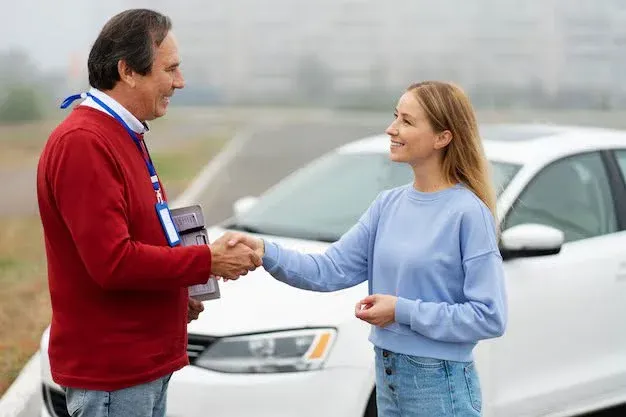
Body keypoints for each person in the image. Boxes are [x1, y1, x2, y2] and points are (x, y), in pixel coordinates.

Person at [226, 81, 507, 416]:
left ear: (442, 138)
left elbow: (489, 317)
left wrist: (401, 310)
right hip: (389, 379)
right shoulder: (388, 204)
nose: (392, 129)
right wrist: (264, 250)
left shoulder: (468, 213)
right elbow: (328, 271)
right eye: (395, 117)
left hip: (440, 387)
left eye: (407, 121)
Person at [36, 9, 260, 417]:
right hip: (115, 371)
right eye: (170, 69)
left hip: (140, 364)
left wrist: (175, 294)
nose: (180, 81)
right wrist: (208, 260)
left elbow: (141, 235)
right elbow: (112, 262)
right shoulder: (84, 142)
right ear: (128, 71)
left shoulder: (123, 133)